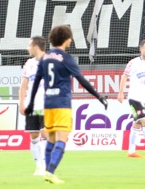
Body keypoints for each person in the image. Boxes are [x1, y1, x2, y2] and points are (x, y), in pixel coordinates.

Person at [25, 24, 108, 184]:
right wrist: (98, 96)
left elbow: (35, 83)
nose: (70, 40)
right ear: (66, 39)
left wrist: (30, 104)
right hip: (62, 103)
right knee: (62, 139)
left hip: (47, 104)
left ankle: (47, 171)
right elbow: (82, 80)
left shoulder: (45, 58)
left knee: (51, 139)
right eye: (70, 38)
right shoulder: (66, 58)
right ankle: (50, 171)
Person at [19, 35, 48, 177]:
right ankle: (39, 167)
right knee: (34, 135)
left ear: (36, 47)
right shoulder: (29, 64)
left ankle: (47, 164)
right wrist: (21, 103)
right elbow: (23, 86)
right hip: (32, 105)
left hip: (47, 105)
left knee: (46, 134)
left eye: (29, 46)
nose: (27, 48)